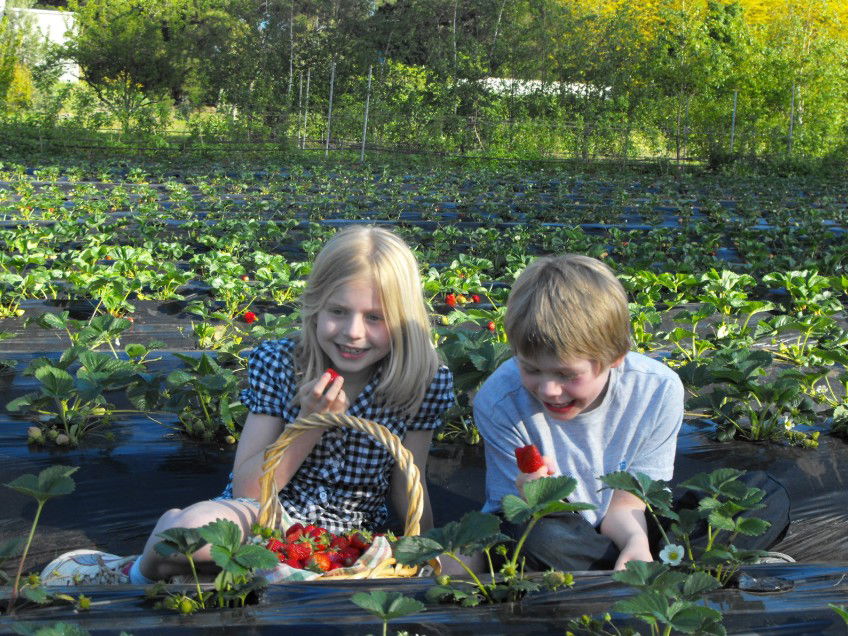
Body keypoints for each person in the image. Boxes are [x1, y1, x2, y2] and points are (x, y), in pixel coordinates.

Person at [42, 225, 454, 585]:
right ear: (315, 306)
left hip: (353, 539)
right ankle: (137, 574)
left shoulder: (423, 380)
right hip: (265, 520)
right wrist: (309, 423)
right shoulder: (280, 363)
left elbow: (409, 483)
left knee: (461, 559)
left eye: (375, 318)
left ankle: (217, 571)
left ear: (403, 319)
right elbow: (248, 489)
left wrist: (426, 553)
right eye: (338, 311)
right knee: (186, 537)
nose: (352, 332)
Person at [473, 253, 685, 572]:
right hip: (551, 528)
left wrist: (635, 542)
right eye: (531, 369)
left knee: (747, 502)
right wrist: (539, 494)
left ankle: (624, 563)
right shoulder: (500, 401)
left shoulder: (656, 392)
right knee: (535, 540)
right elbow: (517, 517)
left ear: (615, 357)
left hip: (627, 520)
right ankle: (655, 569)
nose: (549, 389)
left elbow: (628, 502)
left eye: (567, 375)